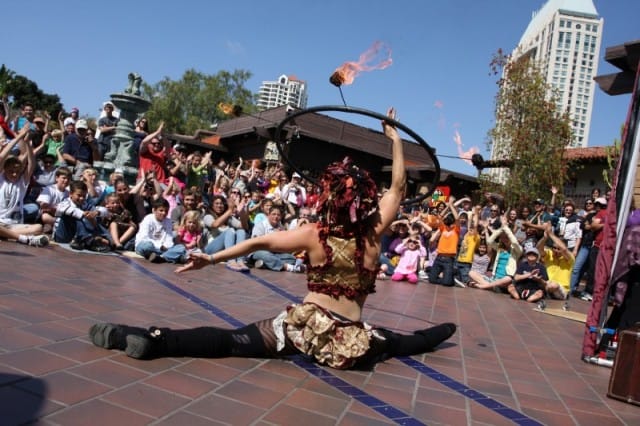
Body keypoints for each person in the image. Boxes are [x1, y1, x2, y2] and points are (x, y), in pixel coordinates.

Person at [89, 108, 457, 369]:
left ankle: (153, 339)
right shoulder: (374, 233)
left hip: (305, 331)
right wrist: (393, 137)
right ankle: (443, 331)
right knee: (399, 343)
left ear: (327, 198)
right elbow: (398, 185)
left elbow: (258, 243)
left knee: (232, 342)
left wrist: (211, 258)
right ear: (363, 201)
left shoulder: (314, 234)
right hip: (350, 343)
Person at [0, 126, 49, 246]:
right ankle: (25, 239)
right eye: (11, 171)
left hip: (14, 225)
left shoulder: (21, 182)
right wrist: (18, 137)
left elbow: (31, 164)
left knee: (38, 228)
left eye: (17, 171)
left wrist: (27, 142)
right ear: (4, 170)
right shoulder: (1, 179)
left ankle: (7, 235)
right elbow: (2, 157)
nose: (14, 174)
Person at [134, 197, 187, 264]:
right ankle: (171, 257)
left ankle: (161, 258)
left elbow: (169, 238)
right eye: (161, 210)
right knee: (147, 246)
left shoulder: (168, 221)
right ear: (154, 210)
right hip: (149, 246)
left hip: (162, 249)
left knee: (181, 247)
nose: (164, 213)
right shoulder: (148, 219)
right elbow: (144, 238)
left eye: (166, 211)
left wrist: (166, 246)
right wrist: (160, 246)